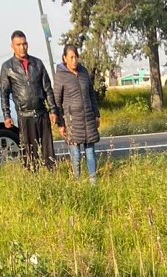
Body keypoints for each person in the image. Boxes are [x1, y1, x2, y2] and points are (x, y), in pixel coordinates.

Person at [0, 30, 60, 170]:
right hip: (24, 116)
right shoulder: (7, 67)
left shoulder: (37, 64)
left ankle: (53, 178)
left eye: (24, 44)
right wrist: (6, 115)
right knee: (29, 154)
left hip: (42, 114)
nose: (22, 47)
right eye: (18, 44)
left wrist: (53, 110)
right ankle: (33, 180)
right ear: (12, 46)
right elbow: (4, 93)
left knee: (48, 152)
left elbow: (47, 89)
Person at [54, 45, 101, 183]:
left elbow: (91, 94)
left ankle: (93, 183)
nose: (74, 60)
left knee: (91, 153)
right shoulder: (61, 76)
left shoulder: (84, 72)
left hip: (88, 119)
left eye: (76, 57)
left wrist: (96, 114)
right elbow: (57, 101)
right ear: (65, 59)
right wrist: (60, 124)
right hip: (72, 121)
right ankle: (77, 183)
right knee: (76, 155)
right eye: (71, 57)